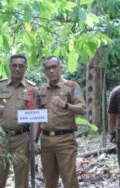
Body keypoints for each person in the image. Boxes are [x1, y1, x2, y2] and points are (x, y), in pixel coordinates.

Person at [34, 56, 86, 188]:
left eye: (54, 67)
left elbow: (82, 110)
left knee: (69, 179)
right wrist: (34, 140)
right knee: (49, 180)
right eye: (48, 68)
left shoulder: (72, 86)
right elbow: (38, 117)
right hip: (45, 141)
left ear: (60, 68)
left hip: (65, 139)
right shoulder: (42, 90)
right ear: (44, 71)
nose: (51, 71)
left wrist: (65, 105)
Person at [0, 54, 37, 188]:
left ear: (26, 68)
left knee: (22, 176)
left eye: (21, 66)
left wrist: (35, 141)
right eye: (14, 65)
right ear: (9, 67)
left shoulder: (32, 89)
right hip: (1, 138)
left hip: (22, 138)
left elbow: (37, 116)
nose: (17, 68)